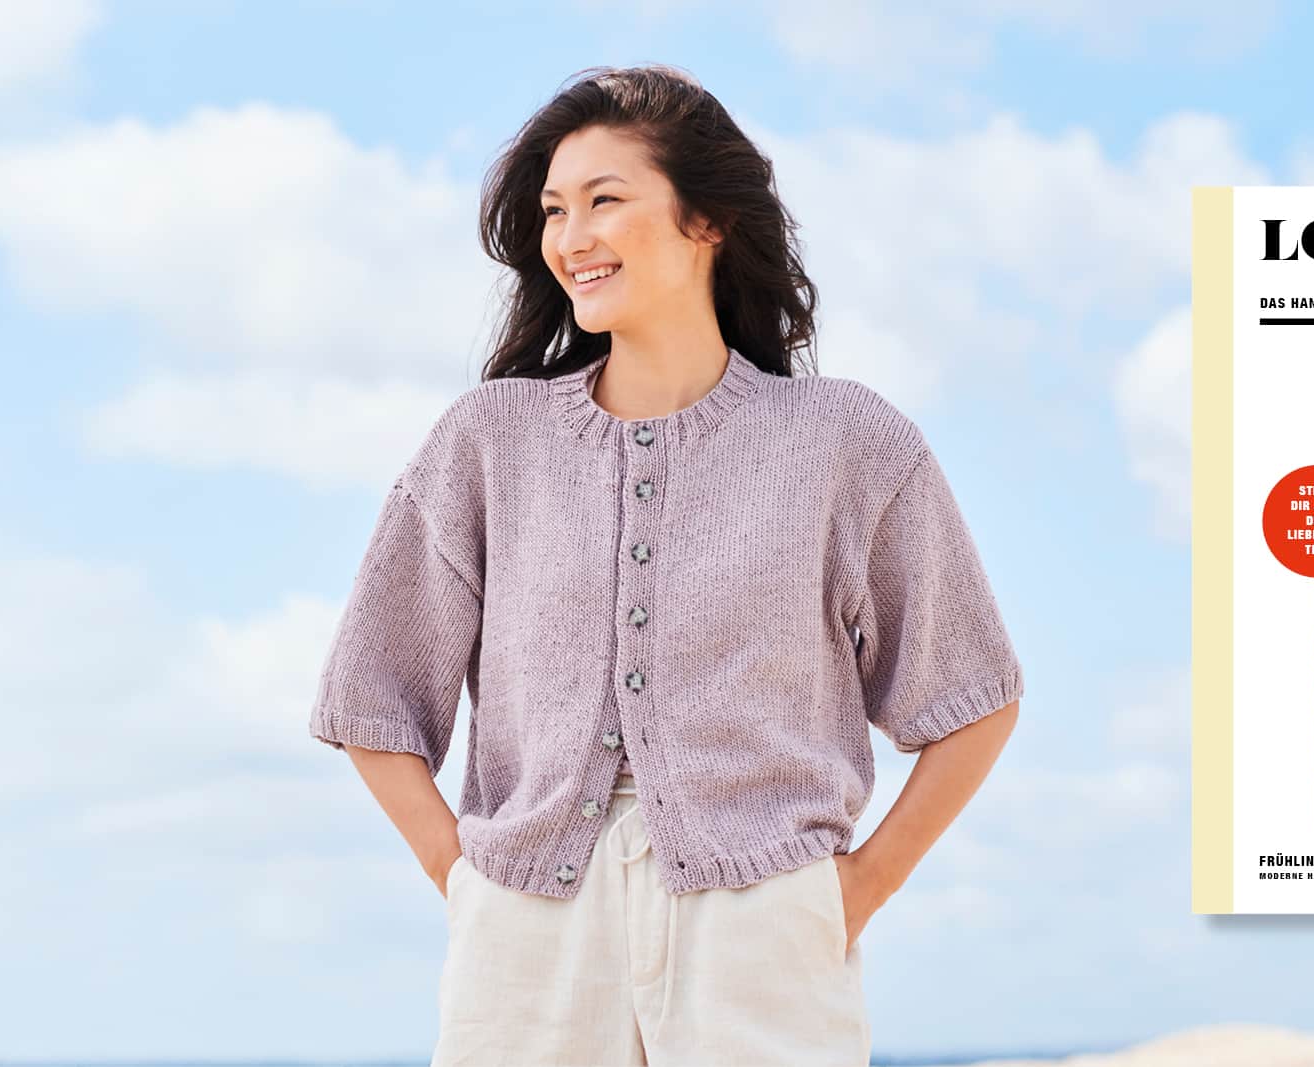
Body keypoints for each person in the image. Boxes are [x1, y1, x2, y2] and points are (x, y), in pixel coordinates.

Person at [306, 65, 1023, 1065]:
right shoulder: (488, 440)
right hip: (527, 931)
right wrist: (465, 880)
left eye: (604, 200)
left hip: (761, 926)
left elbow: (973, 695)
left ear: (707, 222)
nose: (570, 237)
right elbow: (370, 692)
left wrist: (850, 891)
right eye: (554, 210)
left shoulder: (844, 443)